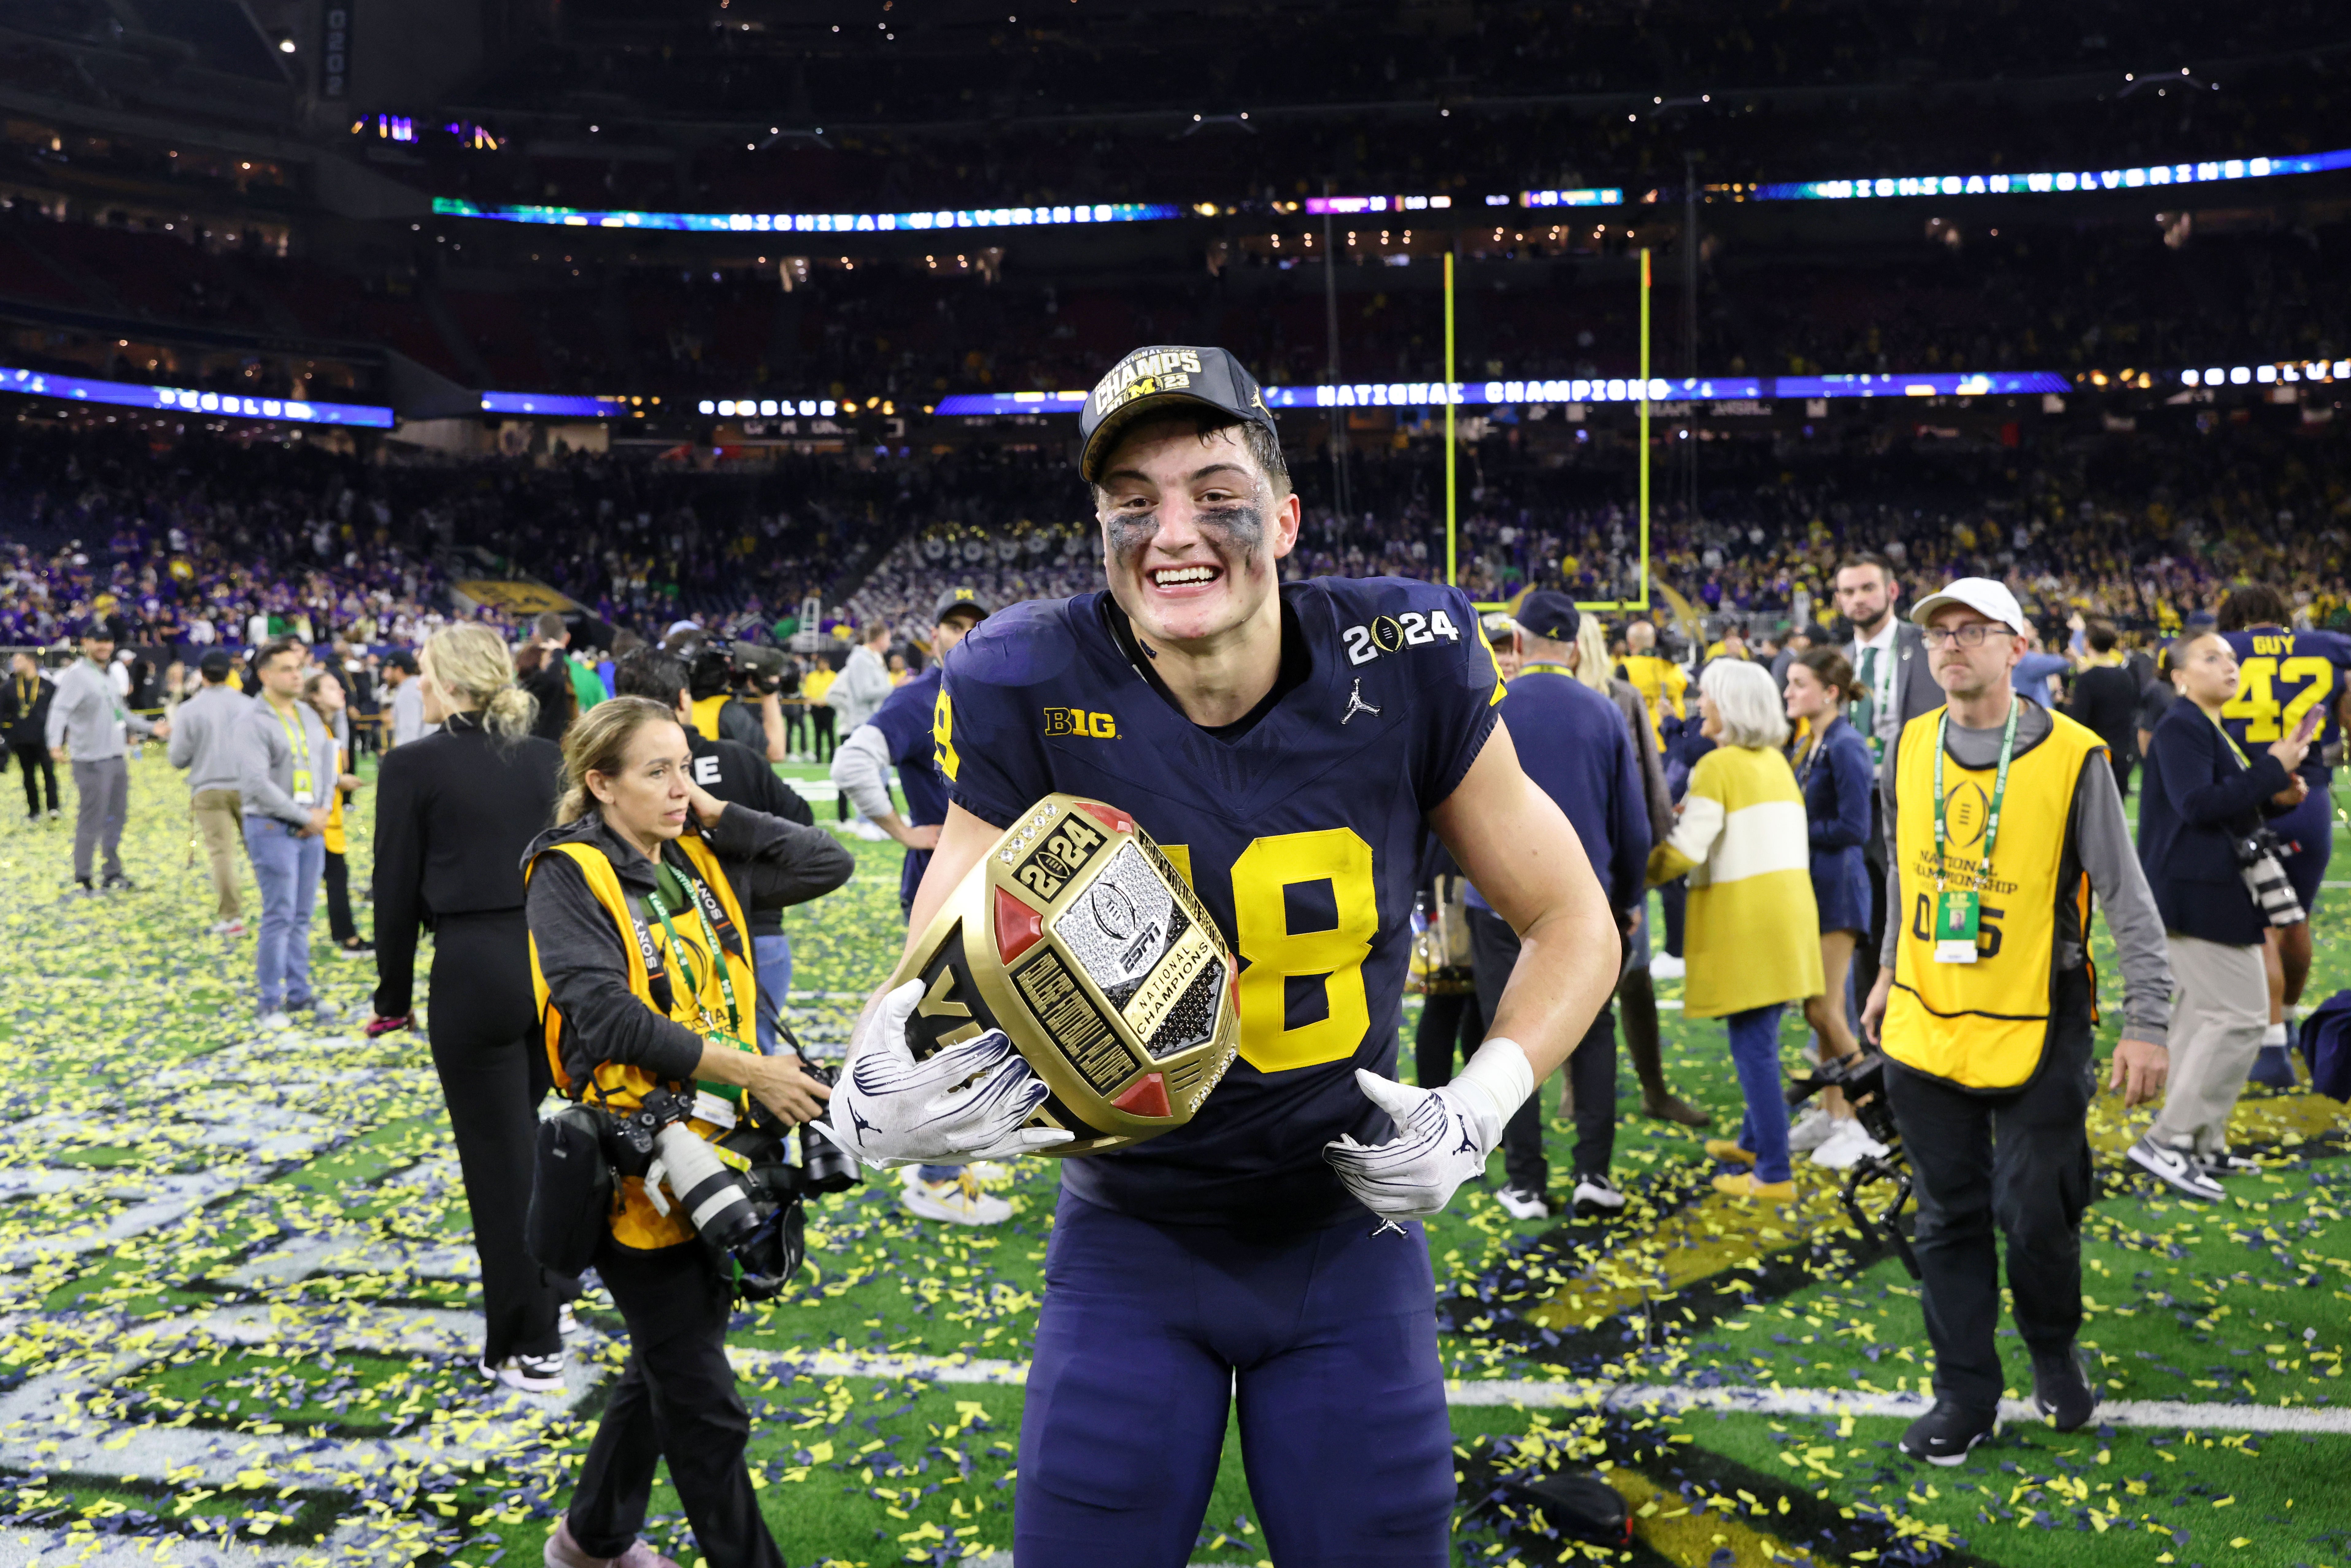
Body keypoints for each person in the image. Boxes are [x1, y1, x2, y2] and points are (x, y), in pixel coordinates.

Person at [821, 345, 1620, 1566]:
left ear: (1286, 516)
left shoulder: (1406, 652)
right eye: (1132, 501)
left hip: (1344, 1229)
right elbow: (938, 944)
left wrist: (1481, 1101)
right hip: (1131, 1232)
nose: (1172, 530)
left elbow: (1574, 915)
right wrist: (878, 1073)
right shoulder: (1027, 672)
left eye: (1213, 488)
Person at [526, 696, 851, 1568]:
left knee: (669, 1363)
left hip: (728, 1157)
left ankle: (589, 1537)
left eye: (686, 767)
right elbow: (605, 1014)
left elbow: (829, 860)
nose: (681, 788)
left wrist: (720, 811)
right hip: (641, 1165)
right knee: (706, 1404)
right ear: (599, 782)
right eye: (656, 771)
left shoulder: (699, 853)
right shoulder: (568, 871)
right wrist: (753, 1071)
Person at [1859, 577, 2172, 1463]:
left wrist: (2148, 1020)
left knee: (2035, 1210)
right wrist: (1885, 969)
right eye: (1937, 633)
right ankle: (1963, 1391)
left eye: (1972, 630)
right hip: (1924, 1018)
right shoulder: (1905, 745)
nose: (1951, 644)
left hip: (2041, 1019)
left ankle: (2048, 1345)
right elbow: (1902, 871)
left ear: (2016, 644)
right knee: (1945, 1215)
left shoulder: (2074, 755)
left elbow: (2124, 897)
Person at [370, 625, 572, 1392]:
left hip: (474, 969)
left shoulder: (413, 764)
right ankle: (553, 1293)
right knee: (527, 1143)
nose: (417, 687)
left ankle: (530, 1341)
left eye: (424, 674)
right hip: (551, 965)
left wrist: (392, 995)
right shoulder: (547, 758)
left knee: (498, 1164)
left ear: (451, 684)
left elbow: (393, 892)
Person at [1463, 593, 1650, 1221]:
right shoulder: (1603, 711)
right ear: (1574, 647)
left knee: (1506, 1039)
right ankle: (1594, 1172)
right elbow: (1636, 826)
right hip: (1580, 906)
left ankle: (1525, 1181)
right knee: (1593, 1033)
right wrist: (1624, 901)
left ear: (1515, 644)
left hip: (1495, 901)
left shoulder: (1490, 707)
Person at [828, 586, 1009, 1226]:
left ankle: (956, 1155)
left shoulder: (996, 691)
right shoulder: (919, 697)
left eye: (974, 624)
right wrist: (902, 830)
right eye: (952, 625)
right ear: (931, 635)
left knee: (986, 1027)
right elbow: (852, 760)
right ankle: (933, 1177)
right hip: (945, 888)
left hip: (999, 893)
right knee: (940, 1030)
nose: (962, 634)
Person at [2133, 630, 2307, 1200]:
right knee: (2240, 1016)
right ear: (2180, 675)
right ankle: (2170, 1139)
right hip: (2196, 888)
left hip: (2195, 886)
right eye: (2212, 657)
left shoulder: (2203, 726)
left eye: (2231, 658)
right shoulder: (2183, 724)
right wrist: (2272, 771)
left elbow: (2214, 801)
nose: (2229, 666)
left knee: (2203, 1017)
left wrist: (2270, 791)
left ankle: (2202, 1142)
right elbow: (2197, 806)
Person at [1647, 659, 1824, 1203]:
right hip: (1787, 918)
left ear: (1732, 705)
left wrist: (1638, 870)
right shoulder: (1774, 761)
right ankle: (1754, 1142)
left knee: (1753, 1047)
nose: (1700, 702)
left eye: (1708, 695)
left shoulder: (1720, 766)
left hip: (1747, 921)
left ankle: (1773, 1172)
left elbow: (1686, 849)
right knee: (1762, 1039)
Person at [611, 647, 817, 1055]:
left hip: (648, 938)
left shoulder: (613, 774)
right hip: (750, 932)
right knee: (753, 1072)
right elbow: (805, 833)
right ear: (683, 699)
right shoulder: (736, 757)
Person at [2214, 585, 2351, 1087]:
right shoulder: (2328, 646)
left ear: (2235, 616)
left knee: (2250, 924)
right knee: (2295, 919)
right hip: (2307, 796)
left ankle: (2264, 1035)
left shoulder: (2219, 648)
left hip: (2240, 795)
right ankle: (2287, 1019)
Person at [1576, 611, 1708, 1127]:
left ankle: (1650, 1087)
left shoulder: (1622, 697)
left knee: (1631, 977)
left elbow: (1649, 782)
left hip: (1609, 860)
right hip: (1593, 860)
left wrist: (1651, 849)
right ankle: (1586, 1087)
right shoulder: (1543, 699)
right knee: (1592, 978)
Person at [1781, 646, 1884, 1169]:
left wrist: (1792, 828)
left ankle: (1865, 1120)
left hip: (1839, 888)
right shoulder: (1812, 741)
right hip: (1816, 886)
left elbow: (1853, 828)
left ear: (1830, 692)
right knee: (1817, 1010)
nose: (1788, 692)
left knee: (1825, 1010)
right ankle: (1832, 1110)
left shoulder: (1845, 744)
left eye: (1798, 683)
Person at [1835, 552, 1944, 1009]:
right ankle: (1867, 1035)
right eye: (1847, 592)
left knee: (1917, 915)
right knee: (1861, 925)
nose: (1857, 599)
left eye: (1866, 588)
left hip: (1908, 802)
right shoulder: (1839, 661)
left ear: (1891, 591)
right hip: (1852, 810)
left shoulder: (1926, 646)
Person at [235, 638, 338, 1028]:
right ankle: (269, 1000)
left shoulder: (307, 716)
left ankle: (299, 992)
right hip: (271, 825)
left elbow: (327, 764)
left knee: (302, 914)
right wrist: (302, 815)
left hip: (310, 823)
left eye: (299, 668)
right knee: (279, 914)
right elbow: (256, 783)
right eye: (288, 669)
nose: (298, 675)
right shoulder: (251, 721)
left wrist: (323, 809)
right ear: (265, 675)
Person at [48, 621, 167, 893]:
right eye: (98, 641)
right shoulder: (77, 674)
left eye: (108, 641)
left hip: (115, 756)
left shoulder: (107, 675)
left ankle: (112, 872)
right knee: (92, 818)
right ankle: (84, 876)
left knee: (116, 817)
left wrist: (152, 728)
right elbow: (59, 710)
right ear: (86, 644)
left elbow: (122, 713)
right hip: (90, 758)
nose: (104, 646)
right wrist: (55, 744)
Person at [168, 649, 253, 935]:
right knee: (261, 850)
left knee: (221, 854)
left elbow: (177, 758)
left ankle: (232, 918)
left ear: (202, 675)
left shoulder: (190, 709)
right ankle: (283, 908)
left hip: (208, 787)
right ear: (231, 673)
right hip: (249, 785)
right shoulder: (249, 705)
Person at [303, 668, 371, 957]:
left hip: (325, 819)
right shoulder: (313, 730)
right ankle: (348, 939)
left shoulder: (324, 728)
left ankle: (348, 938)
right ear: (316, 697)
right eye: (332, 688)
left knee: (335, 877)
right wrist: (338, 780)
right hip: (314, 820)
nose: (341, 692)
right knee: (333, 878)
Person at [823, 620, 895, 837]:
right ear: (880, 637)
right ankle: (865, 822)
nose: (890, 642)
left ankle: (878, 823)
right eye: (888, 637)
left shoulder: (872, 658)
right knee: (869, 776)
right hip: (864, 721)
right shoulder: (860, 659)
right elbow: (864, 692)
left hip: (875, 720)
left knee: (882, 774)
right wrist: (893, 687)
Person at [2065, 620, 2141, 803]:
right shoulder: (2127, 676)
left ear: (2088, 643)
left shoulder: (2087, 679)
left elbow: (2079, 722)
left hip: (2095, 756)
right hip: (2122, 755)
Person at [3, 651, 59, 822]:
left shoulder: (49, 686)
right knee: (28, 776)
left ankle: (53, 808)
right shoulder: (9, 687)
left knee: (49, 772)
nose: (15, 664)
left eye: (19, 660)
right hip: (20, 740)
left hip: (44, 739)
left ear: (31, 661)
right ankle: (34, 811)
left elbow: (58, 714)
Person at [1615, 617, 1686, 750]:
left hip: (1642, 747)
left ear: (1630, 644)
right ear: (1654, 641)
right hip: (1674, 743)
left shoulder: (1625, 669)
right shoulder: (1675, 669)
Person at [523, 611, 582, 744]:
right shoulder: (592, 678)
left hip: (530, 753)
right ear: (567, 638)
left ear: (535, 637)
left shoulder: (521, 674)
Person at [382, 651, 427, 747]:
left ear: (398, 670)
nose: (384, 675)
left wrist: (406, 758)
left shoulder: (408, 692)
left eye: (386, 670)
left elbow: (409, 731)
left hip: (418, 753)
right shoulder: (416, 685)